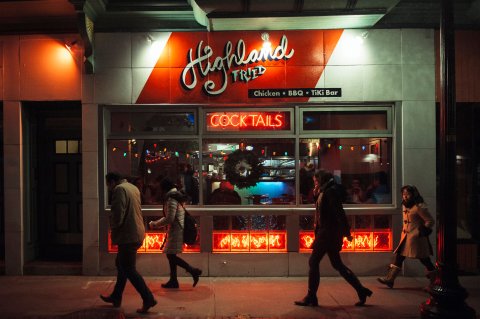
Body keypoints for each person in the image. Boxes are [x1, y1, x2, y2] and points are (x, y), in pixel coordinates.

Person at [295, 170, 372, 307]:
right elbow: (323, 209)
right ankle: (361, 290)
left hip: (327, 233)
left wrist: (346, 233)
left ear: (322, 179)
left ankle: (311, 296)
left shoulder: (330, 192)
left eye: (316, 180)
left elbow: (339, 212)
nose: (315, 182)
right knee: (337, 265)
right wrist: (316, 193)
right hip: (328, 233)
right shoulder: (324, 191)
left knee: (313, 261)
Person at [100, 172, 157, 314]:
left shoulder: (120, 190)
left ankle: (148, 298)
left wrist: (113, 226)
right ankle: (116, 296)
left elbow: (118, 213)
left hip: (128, 235)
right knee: (121, 265)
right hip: (136, 232)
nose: (109, 188)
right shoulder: (133, 188)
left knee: (129, 268)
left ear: (113, 182)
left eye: (108, 185)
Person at [377, 185, 436, 288]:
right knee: (399, 256)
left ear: (413, 194)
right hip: (406, 237)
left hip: (416, 238)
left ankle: (436, 280)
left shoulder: (419, 207)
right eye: (403, 194)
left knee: (424, 259)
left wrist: (421, 231)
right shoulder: (405, 205)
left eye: (407, 194)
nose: (405, 197)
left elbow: (430, 220)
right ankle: (390, 279)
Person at [149, 177, 202, 288]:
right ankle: (174, 280)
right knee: (171, 255)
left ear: (164, 189)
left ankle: (192, 271)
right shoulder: (176, 196)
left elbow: (170, 218)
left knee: (171, 256)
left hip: (176, 230)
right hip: (177, 228)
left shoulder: (171, 199)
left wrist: (155, 224)